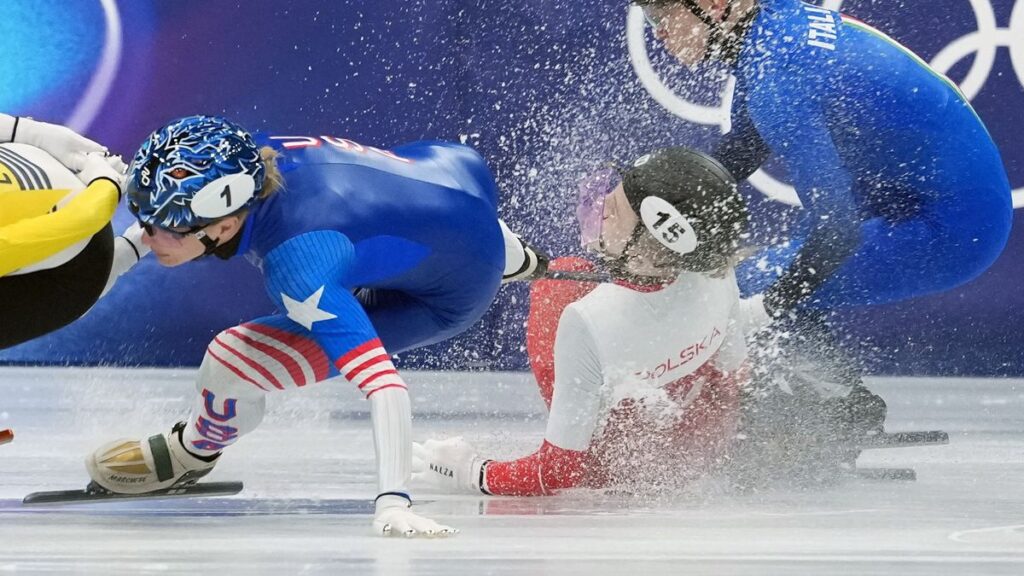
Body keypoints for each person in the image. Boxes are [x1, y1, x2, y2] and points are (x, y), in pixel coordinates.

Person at [84, 115, 547, 537]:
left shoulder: (299, 266)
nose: (148, 236)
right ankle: (513, 254)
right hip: (456, 174)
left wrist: (392, 501)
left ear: (223, 227)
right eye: (145, 218)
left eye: (164, 227)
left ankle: (192, 452)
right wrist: (119, 258)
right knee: (429, 229)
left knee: (229, 361)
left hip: (443, 296)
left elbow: (385, 387)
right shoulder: (248, 156)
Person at [634, 0, 1011, 417]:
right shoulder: (768, 27)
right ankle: (815, 394)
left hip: (955, 226)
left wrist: (761, 310)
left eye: (662, 16)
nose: (659, 33)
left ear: (717, 7)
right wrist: (655, 205)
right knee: (753, 277)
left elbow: (838, 234)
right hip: (905, 189)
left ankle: (839, 408)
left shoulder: (778, 79)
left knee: (744, 286)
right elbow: (744, 147)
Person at [413, 148, 755, 496]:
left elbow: (557, 472)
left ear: (641, 252)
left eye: (615, 211)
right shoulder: (717, 270)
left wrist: (472, 471)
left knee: (560, 282)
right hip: (705, 445)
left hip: (620, 467)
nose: (603, 206)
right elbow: (735, 376)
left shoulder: (589, 319)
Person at [0, 113, 147, 349]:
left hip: (82, 269)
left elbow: (83, 221)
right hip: (51, 175)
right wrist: (105, 181)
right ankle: (130, 249)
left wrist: (29, 131)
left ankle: (122, 256)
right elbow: (82, 219)